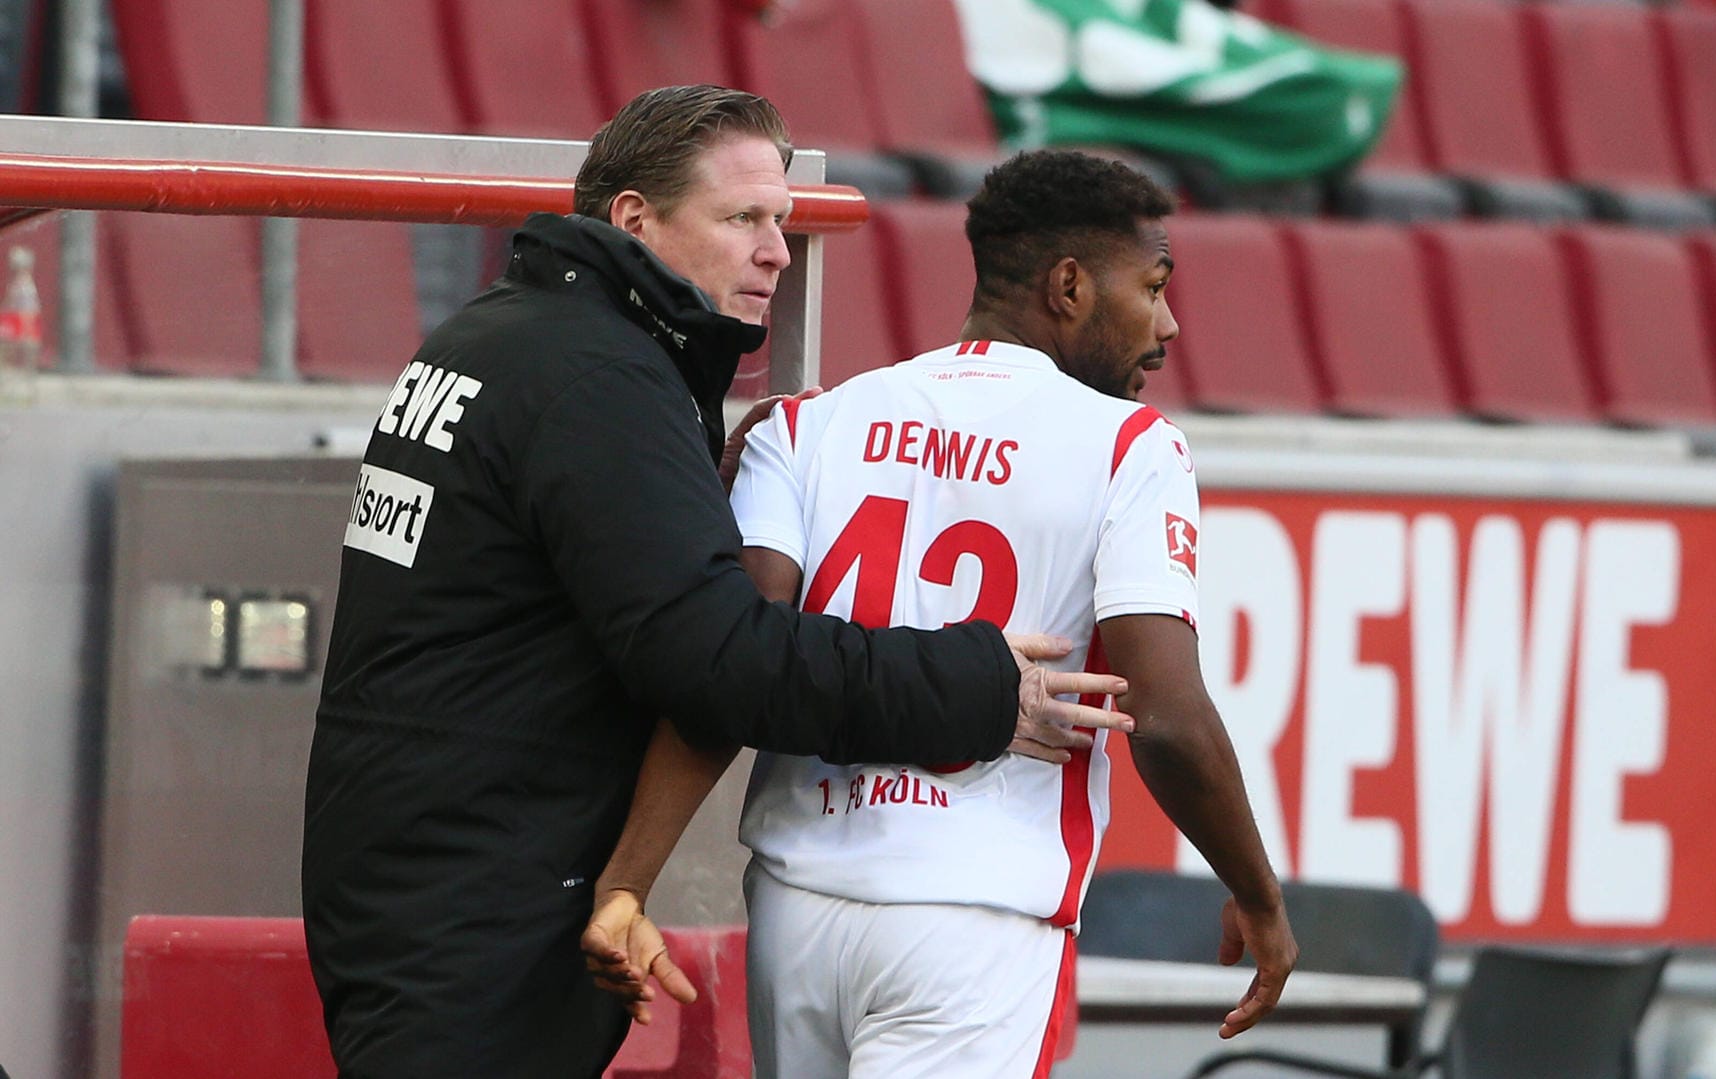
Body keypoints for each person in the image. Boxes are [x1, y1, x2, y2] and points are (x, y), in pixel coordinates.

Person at [301, 86, 1130, 1079]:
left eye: (781, 219)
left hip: (413, 867)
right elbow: (716, 659)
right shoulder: (598, 379)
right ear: (635, 221)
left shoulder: (491, 337)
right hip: (474, 899)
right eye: (743, 218)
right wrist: (978, 684)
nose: (777, 250)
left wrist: (682, 492)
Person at [583, 149, 1298, 1078]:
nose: (1166, 323)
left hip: (798, 910)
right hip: (975, 921)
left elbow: (728, 675)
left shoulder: (809, 424)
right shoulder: (1132, 446)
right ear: (1070, 286)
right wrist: (1258, 894)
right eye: (1152, 286)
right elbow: (1163, 716)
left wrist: (627, 878)